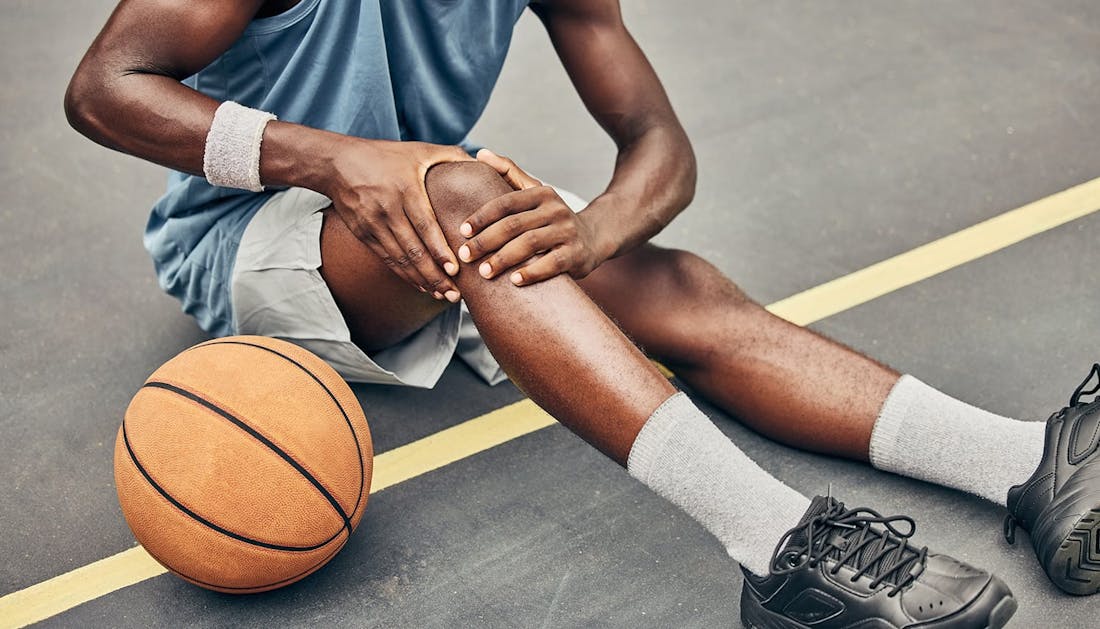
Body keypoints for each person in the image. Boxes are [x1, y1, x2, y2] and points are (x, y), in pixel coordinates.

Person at [65, 1, 1099, 626]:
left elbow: (658, 142)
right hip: (250, 237)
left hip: (428, 206)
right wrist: (336, 159)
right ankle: (775, 546)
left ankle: (1020, 458)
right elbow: (105, 89)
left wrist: (599, 231)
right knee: (469, 195)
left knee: (668, 283)